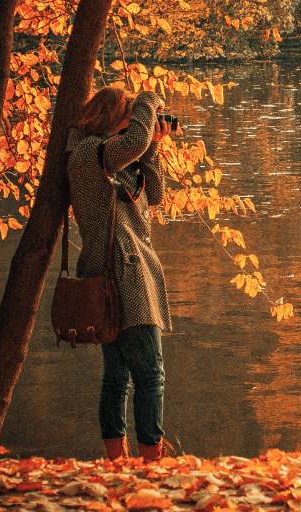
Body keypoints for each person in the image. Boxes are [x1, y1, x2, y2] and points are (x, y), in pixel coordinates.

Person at [66, 87, 173, 463]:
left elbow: (155, 194)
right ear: (111, 117)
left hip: (126, 270)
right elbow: (136, 138)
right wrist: (147, 98)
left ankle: (117, 459)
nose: (136, 122)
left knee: (119, 375)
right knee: (150, 375)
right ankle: (151, 460)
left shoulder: (114, 158)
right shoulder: (89, 154)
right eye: (129, 113)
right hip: (119, 273)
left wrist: (154, 147)